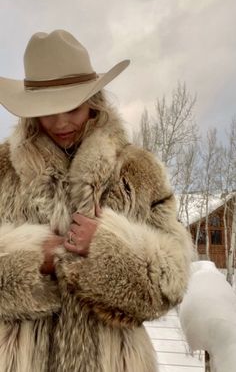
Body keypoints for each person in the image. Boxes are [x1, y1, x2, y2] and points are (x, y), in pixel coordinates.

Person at [0, 29, 192, 372]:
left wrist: (105, 247)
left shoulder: (136, 169)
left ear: (94, 99)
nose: (60, 122)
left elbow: (172, 282)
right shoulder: (3, 170)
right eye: (47, 110)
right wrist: (31, 258)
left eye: (72, 107)